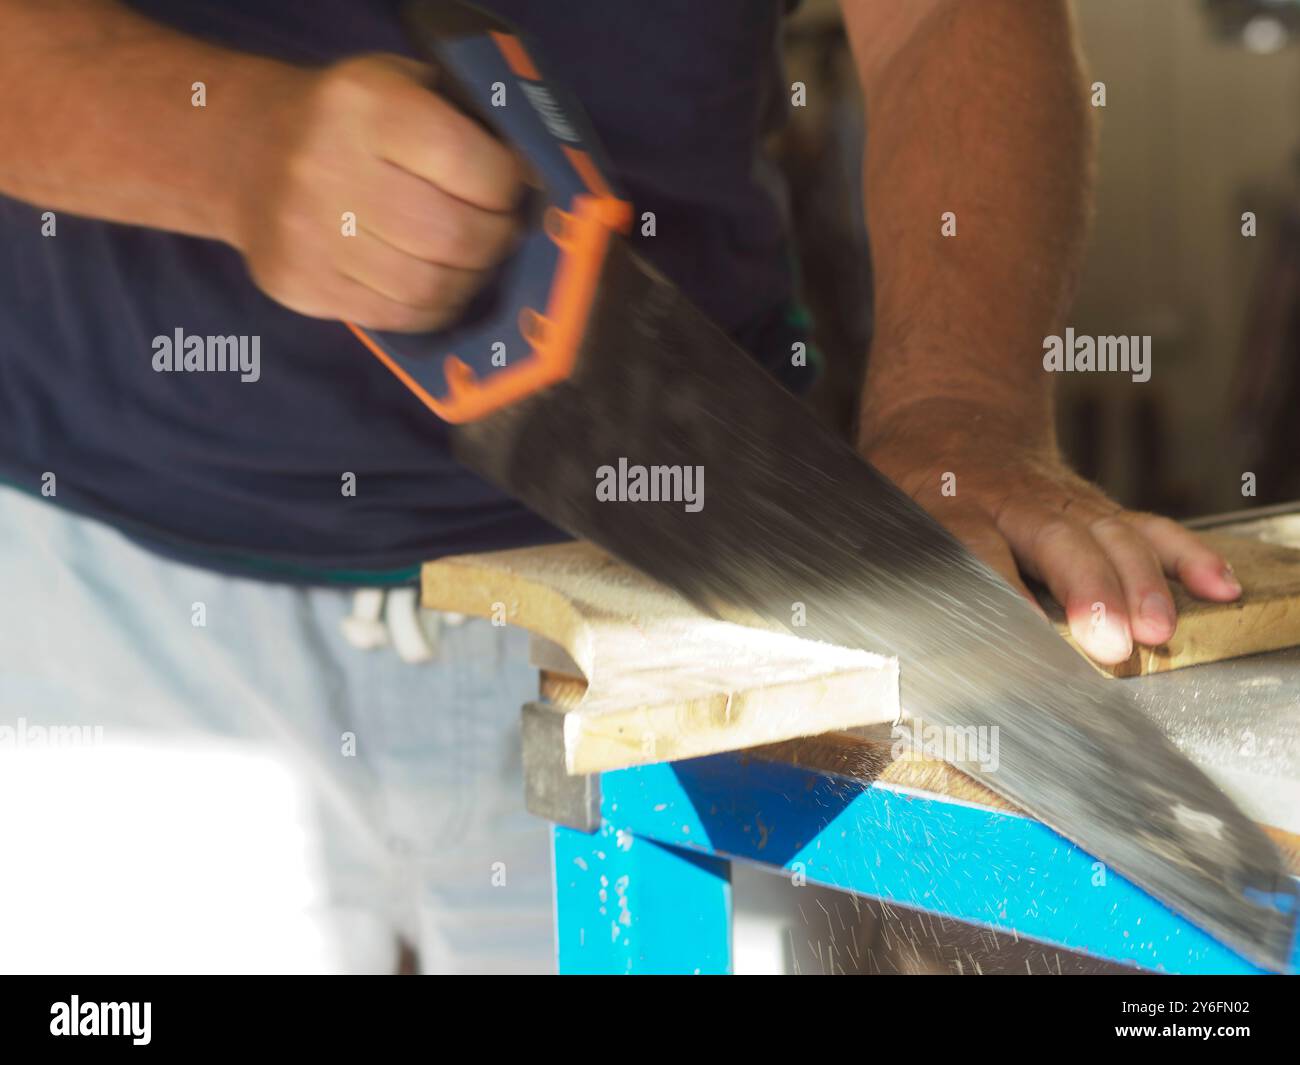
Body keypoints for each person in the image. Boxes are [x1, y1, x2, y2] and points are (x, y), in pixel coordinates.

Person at [0, 0, 1242, 973]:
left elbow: (943, 14)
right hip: (121, 600)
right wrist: (230, 142)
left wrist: (956, 415)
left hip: (670, 622)